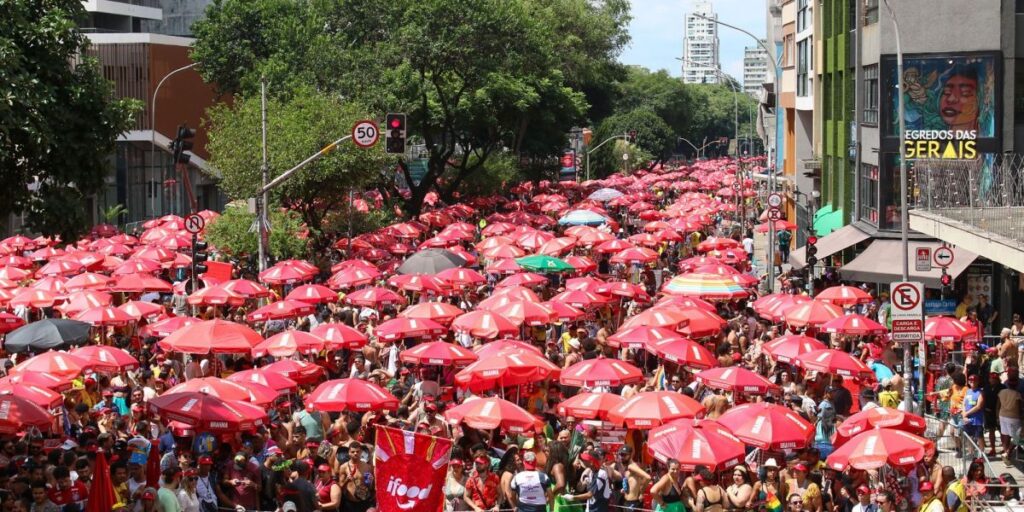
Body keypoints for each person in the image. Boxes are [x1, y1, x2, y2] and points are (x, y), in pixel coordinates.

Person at [996, 368, 1022, 461]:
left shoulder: (1001, 392)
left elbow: (998, 405)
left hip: (1002, 415)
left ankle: (1006, 452)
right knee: (1017, 437)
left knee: (1005, 435)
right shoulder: (1017, 394)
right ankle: (1008, 452)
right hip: (1014, 417)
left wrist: (997, 416)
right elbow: (1019, 409)